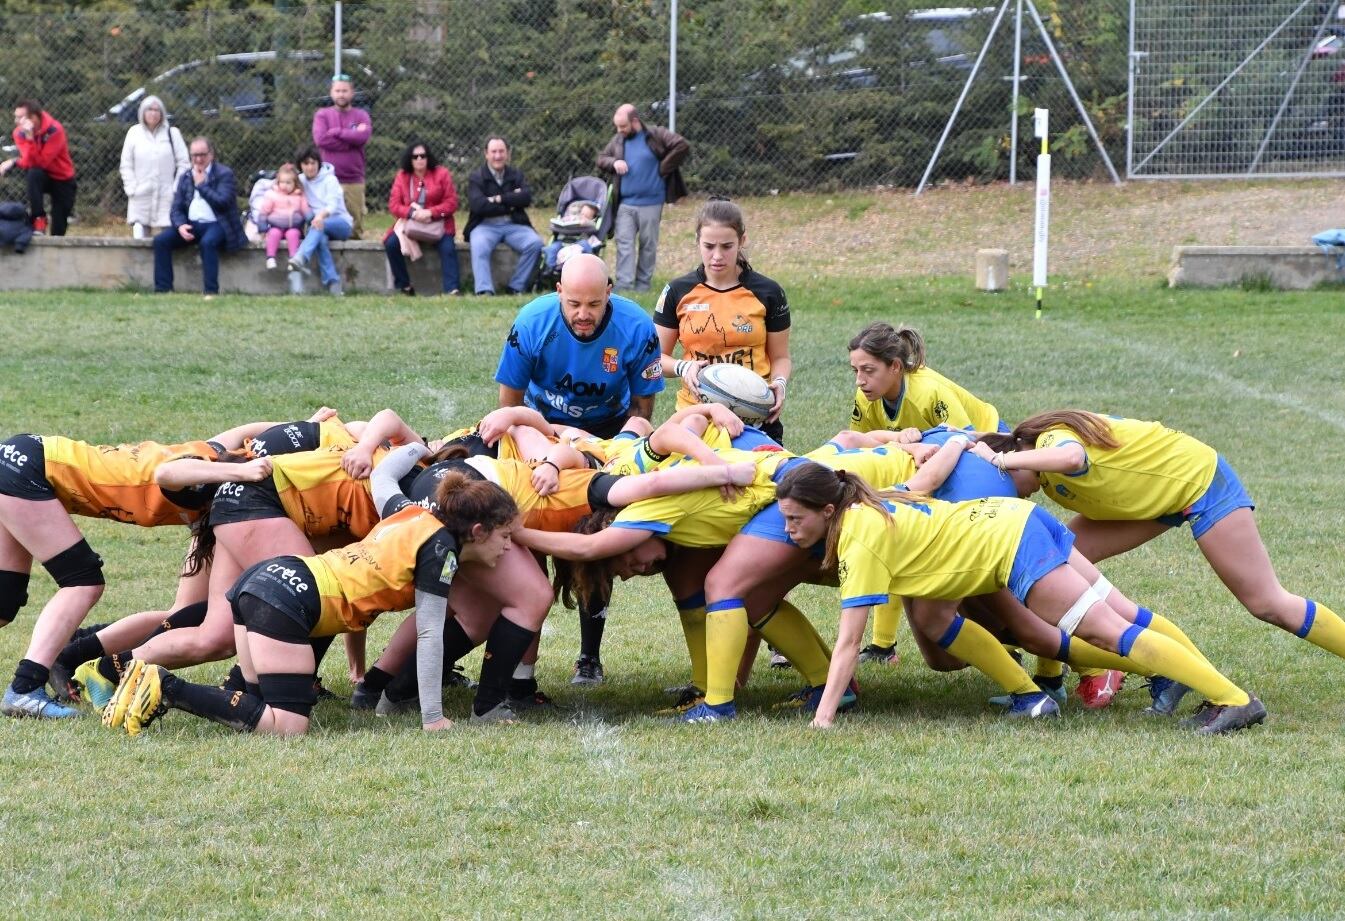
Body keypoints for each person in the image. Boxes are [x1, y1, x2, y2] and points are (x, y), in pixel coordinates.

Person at [773, 462, 1268, 735]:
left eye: (796, 518)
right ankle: (1031, 698)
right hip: (1012, 519)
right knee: (931, 613)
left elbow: (847, 643)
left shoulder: (857, 536)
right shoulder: (864, 506)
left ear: (828, 509)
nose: (790, 528)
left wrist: (823, 720)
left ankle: (1232, 699)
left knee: (1106, 630)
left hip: (1011, 542)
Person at [974, 409, 1345, 712]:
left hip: (1200, 484)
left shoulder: (1048, 441)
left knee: (1268, 603)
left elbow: (1073, 456)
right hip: (1158, 501)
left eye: (1003, 481)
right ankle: (1053, 681)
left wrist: (1000, 459)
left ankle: (1203, 684)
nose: (1008, 494)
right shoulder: (1044, 474)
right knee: (1057, 570)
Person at [102, 470, 523, 737]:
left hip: (266, 581)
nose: (508, 549)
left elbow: (384, 478)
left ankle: (145, 684)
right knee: (287, 727)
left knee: (254, 711)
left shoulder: (410, 513)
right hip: (286, 601)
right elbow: (430, 633)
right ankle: (164, 685)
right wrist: (433, 718)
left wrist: (415, 450)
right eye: (506, 537)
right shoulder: (441, 550)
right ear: (480, 530)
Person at [0, 423, 272, 718]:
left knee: (4, 603)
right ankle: (25, 689)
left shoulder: (213, 465)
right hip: (28, 468)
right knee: (82, 581)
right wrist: (245, 472)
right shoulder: (203, 472)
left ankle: (60, 662)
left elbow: (238, 433)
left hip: (20, 461)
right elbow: (166, 474)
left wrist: (308, 424)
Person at [655, 198, 791, 444]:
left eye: (727, 246)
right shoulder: (677, 291)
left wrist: (780, 383)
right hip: (695, 415)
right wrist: (682, 368)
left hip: (756, 416)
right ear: (697, 241)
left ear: (742, 240)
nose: (717, 256)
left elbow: (780, 357)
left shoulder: (768, 292)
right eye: (709, 246)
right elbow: (654, 359)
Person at [495, 253, 663, 440]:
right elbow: (510, 404)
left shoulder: (638, 327)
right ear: (559, 291)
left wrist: (621, 449)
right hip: (542, 423)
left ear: (608, 293)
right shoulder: (530, 323)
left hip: (612, 426)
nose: (583, 314)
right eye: (574, 304)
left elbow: (641, 408)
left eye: (594, 304)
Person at [596, 103, 689, 293]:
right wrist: (614, 162)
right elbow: (601, 158)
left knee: (648, 245)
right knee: (624, 244)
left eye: (623, 126)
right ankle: (624, 285)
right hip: (625, 204)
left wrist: (664, 167)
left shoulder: (656, 134)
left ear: (635, 121)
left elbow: (682, 145)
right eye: (617, 126)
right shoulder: (619, 140)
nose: (619, 130)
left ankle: (643, 286)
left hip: (651, 202)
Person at [151, 136, 247, 296]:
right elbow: (176, 208)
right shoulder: (186, 176)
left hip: (218, 224)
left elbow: (222, 202)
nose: (198, 159)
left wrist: (202, 185)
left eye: (202, 154)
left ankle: (210, 291)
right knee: (161, 241)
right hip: (192, 224)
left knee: (208, 243)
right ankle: (163, 289)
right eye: (194, 155)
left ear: (211, 154)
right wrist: (180, 225)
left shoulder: (224, 174)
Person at [464, 137, 542, 296]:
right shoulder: (477, 177)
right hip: (484, 226)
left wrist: (498, 199)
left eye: (501, 151)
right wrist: (511, 201)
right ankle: (484, 290)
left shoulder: (516, 174)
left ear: (508, 154)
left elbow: (526, 198)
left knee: (535, 243)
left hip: (514, 224)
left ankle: (516, 287)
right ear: (486, 154)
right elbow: (478, 206)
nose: (497, 156)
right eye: (493, 152)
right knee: (478, 245)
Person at [383, 139, 460, 297]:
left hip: (439, 225)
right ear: (409, 159)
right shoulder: (402, 176)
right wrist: (412, 213)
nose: (419, 160)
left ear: (428, 157)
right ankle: (404, 287)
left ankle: (452, 289)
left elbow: (452, 202)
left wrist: (431, 212)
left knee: (448, 248)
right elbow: (394, 205)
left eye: (423, 156)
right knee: (390, 244)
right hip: (411, 225)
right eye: (415, 156)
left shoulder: (442, 174)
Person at [0, 99, 77, 236]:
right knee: (34, 174)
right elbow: (31, 162)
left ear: (34, 117)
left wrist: (14, 161)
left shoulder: (55, 130)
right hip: (41, 175)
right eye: (15, 117)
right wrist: (29, 139)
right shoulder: (19, 133)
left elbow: (42, 162)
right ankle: (38, 219)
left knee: (59, 227)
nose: (16, 121)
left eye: (20, 117)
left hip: (62, 179)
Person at [311, 74, 371, 238]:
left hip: (353, 179)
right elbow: (321, 139)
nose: (341, 94)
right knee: (325, 223)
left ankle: (355, 262)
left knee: (355, 226)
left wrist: (337, 133)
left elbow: (363, 137)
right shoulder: (322, 115)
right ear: (331, 93)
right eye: (337, 91)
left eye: (345, 91)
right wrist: (350, 139)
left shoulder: (361, 115)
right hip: (327, 179)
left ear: (352, 93)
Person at [119, 95, 188, 239]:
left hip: (167, 194)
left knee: (168, 235)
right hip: (140, 194)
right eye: (149, 110)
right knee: (139, 234)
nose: (153, 113)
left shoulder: (172, 133)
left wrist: (176, 188)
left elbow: (184, 163)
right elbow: (126, 164)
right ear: (142, 112)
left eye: (157, 110)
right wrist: (132, 188)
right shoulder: (134, 133)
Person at [292, 144, 354, 296]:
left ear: (319, 163)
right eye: (306, 163)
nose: (310, 167)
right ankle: (333, 284)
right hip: (318, 227)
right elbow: (281, 182)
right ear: (300, 165)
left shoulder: (330, 180)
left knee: (319, 225)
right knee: (320, 239)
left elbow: (332, 205)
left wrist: (320, 216)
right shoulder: (300, 180)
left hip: (341, 224)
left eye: (313, 163)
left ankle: (302, 256)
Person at [256, 163, 309, 271]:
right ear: (278, 182)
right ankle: (270, 258)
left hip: (293, 226)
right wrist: (262, 227)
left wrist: (311, 219)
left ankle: (293, 259)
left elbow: (306, 211)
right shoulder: (272, 195)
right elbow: (263, 212)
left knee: (293, 235)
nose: (284, 185)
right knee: (273, 234)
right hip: (276, 225)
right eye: (282, 182)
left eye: (288, 183)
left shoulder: (299, 196)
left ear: (295, 183)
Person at [542, 200, 601, 272]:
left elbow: (593, 226)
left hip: (578, 242)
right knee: (552, 249)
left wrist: (586, 223)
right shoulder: (573, 218)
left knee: (586, 246)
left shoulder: (590, 223)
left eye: (587, 216)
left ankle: (589, 266)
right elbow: (563, 221)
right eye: (582, 214)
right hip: (563, 240)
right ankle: (550, 268)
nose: (583, 217)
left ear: (592, 218)